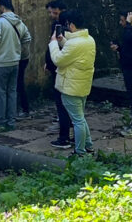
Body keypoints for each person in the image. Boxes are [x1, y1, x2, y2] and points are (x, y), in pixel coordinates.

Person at [50, 9, 96, 156]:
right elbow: (73, 50)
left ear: (71, 25)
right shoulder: (89, 40)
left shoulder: (74, 44)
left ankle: (80, 151)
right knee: (80, 118)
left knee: (77, 121)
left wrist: (53, 44)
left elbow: (58, 59)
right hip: (82, 85)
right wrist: (62, 41)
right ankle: (88, 145)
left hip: (70, 87)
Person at [0, 0, 31, 131]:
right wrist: (21, 54)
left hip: (1, 62)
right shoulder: (19, 22)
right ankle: (11, 122)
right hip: (15, 62)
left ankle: (0, 122)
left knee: (0, 93)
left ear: (2, 7)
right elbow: (27, 38)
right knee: (12, 92)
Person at [44, 0, 73, 148]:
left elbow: (55, 47)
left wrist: (50, 62)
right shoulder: (60, 27)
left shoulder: (62, 29)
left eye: (54, 12)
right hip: (65, 68)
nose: (52, 15)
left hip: (61, 68)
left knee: (62, 104)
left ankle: (64, 137)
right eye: (49, 12)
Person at [110, 10, 132, 135]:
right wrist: (118, 48)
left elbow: (130, 38)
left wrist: (129, 24)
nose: (121, 23)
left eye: (123, 20)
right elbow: (127, 46)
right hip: (126, 64)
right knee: (131, 95)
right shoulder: (128, 31)